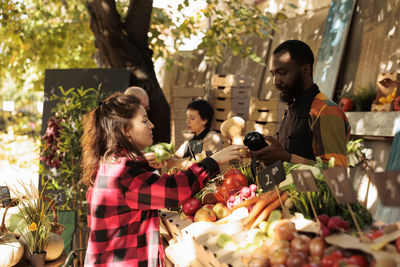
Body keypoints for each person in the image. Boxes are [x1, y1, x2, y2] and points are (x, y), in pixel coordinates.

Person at [81, 92, 245, 266]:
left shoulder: (113, 164)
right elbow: (172, 191)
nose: (151, 125)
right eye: (144, 121)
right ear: (124, 129)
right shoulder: (121, 172)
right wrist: (212, 162)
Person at [254, 40, 350, 167]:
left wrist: (287, 157)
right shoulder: (292, 108)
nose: (275, 82)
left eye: (282, 73)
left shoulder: (326, 110)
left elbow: (336, 172)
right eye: (273, 74)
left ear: (305, 70)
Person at [169, 99, 224, 170]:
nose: (187, 122)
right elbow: (171, 162)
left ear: (204, 120)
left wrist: (178, 163)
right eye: (187, 118)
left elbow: (198, 165)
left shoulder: (212, 138)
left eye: (192, 118)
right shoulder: (191, 138)